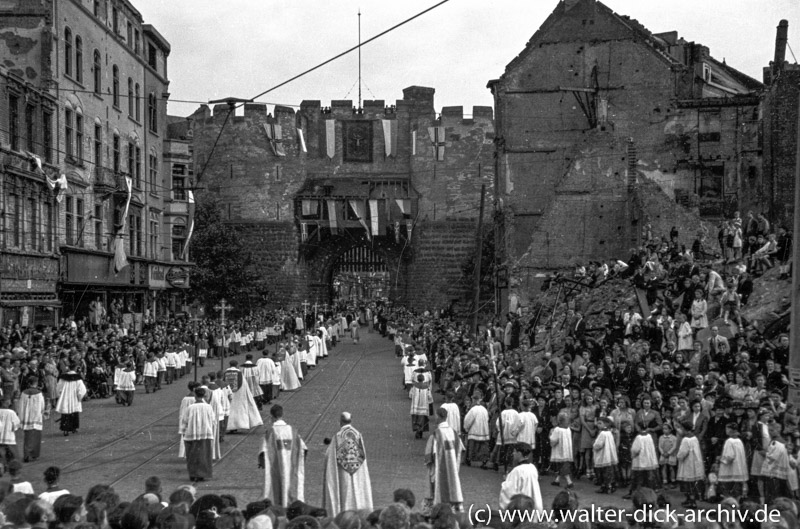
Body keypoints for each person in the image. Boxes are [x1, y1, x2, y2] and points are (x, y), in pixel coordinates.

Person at [322, 412, 373, 516]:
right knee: (356, 492)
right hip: (357, 471)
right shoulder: (357, 434)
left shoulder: (337, 436)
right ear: (351, 421)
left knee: (344, 495)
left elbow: (330, 455)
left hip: (342, 472)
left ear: (340, 422)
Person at [260, 404, 307, 507]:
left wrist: (262, 462)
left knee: (275, 486)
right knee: (290, 483)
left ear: (272, 417)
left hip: (276, 467)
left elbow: (263, 451)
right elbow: (304, 448)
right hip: (291, 465)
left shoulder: (271, 432)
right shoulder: (293, 431)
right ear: (282, 415)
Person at [424, 407, 464, 510]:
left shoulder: (436, 434)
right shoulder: (454, 433)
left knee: (438, 490)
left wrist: (432, 466)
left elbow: (429, 456)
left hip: (439, 470)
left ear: (438, 416)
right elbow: (461, 449)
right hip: (452, 470)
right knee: (452, 487)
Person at [180, 387, 216, 482]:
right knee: (204, 455)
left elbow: (185, 421)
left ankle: (193, 474)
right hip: (205, 434)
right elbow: (213, 420)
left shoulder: (190, 408)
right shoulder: (208, 407)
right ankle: (203, 474)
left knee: (192, 455)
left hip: (192, 434)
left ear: (195, 396)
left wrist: (184, 432)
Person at [498, 442, 542, 510]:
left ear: (519, 453)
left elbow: (509, 490)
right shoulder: (532, 468)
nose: (513, 454)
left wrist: (506, 481)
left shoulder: (517, 470)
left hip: (521, 506)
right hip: (532, 504)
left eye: (515, 452)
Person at [224, 360, 263, 433]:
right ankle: (239, 425)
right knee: (238, 410)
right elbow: (244, 386)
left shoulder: (225, 373)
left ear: (229, 365)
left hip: (228, 395)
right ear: (236, 365)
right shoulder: (239, 373)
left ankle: (230, 427)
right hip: (239, 396)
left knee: (229, 410)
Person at [675, 422, 704, 508]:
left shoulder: (686, 439)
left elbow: (683, 452)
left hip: (688, 463)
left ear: (684, 429)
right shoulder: (694, 438)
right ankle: (690, 500)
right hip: (695, 463)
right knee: (692, 483)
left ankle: (691, 501)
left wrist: (678, 457)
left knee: (688, 484)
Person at [17, 375, 44, 462]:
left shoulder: (24, 393)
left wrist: (21, 418)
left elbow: (20, 406)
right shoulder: (39, 393)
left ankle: (26, 455)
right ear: (36, 383)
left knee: (27, 437)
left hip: (26, 418)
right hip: (36, 418)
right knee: (36, 436)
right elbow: (42, 406)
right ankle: (34, 454)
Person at [718, 422, 748, 499]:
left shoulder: (729, 441)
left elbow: (729, 457)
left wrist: (720, 459)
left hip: (730, 470)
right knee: (737, 491)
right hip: (738, 470)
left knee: (728, 491)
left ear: (730, 430)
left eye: (727, 428)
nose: (726, 430)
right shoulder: (739, 441)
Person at [55, 365, 86, 437]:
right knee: (74, 413)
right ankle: (73, 428)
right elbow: (82, 389)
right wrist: (79, 397)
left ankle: (65, 429)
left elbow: (58, 388)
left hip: (65, 397)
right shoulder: (77, 378)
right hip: (74, 398)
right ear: (75, 368)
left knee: (66, 413)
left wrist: (60, 396)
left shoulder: (63, 378)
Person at [463, 394, 490, 468]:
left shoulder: (473, 409)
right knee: (483, 447)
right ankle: (484, 461)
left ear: (474, 400)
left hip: (474, 431)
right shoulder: (484, 409)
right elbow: (487, 419)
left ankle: (469, 460)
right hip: (484, 431)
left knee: (472, 446)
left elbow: (468, 420)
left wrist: (466, 428)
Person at [593, 416, 618, 494]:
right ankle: (608, 486)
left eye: (600, 423)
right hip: (609, 455)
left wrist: (594, 445)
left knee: (603, 472)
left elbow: (598, 445)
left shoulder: (602, 433)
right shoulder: (609, 432)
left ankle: (606, 487)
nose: (598, 425)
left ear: (605, 424)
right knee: (608, 471)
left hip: (603, 455)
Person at [549, 413, 574, 489]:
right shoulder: (568, 429)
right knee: (562, 465)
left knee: (563, 466)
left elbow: (553, 440)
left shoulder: (557, 430)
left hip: (560, 451)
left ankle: (569, 482)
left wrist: (550, 435)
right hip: (566, 450)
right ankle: (557, 480)